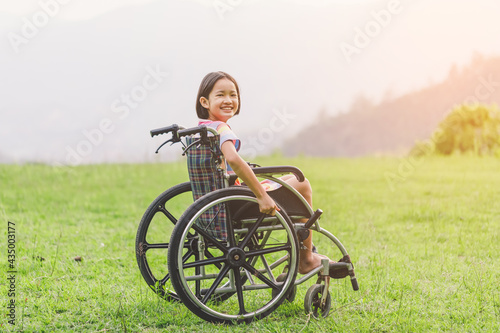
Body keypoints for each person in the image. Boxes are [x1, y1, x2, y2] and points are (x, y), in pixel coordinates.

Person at [195, 71, 331, 274]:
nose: (229, 100)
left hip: (222, 200)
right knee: (301, 183)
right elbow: (232, 159)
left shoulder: (203, 130)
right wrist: (261, 195)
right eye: (221, 95)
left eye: (233, 95)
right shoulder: (221, 129)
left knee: (287, 179)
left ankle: (300, 251)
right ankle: (306, 259)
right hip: (240, 202)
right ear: (205, 102)